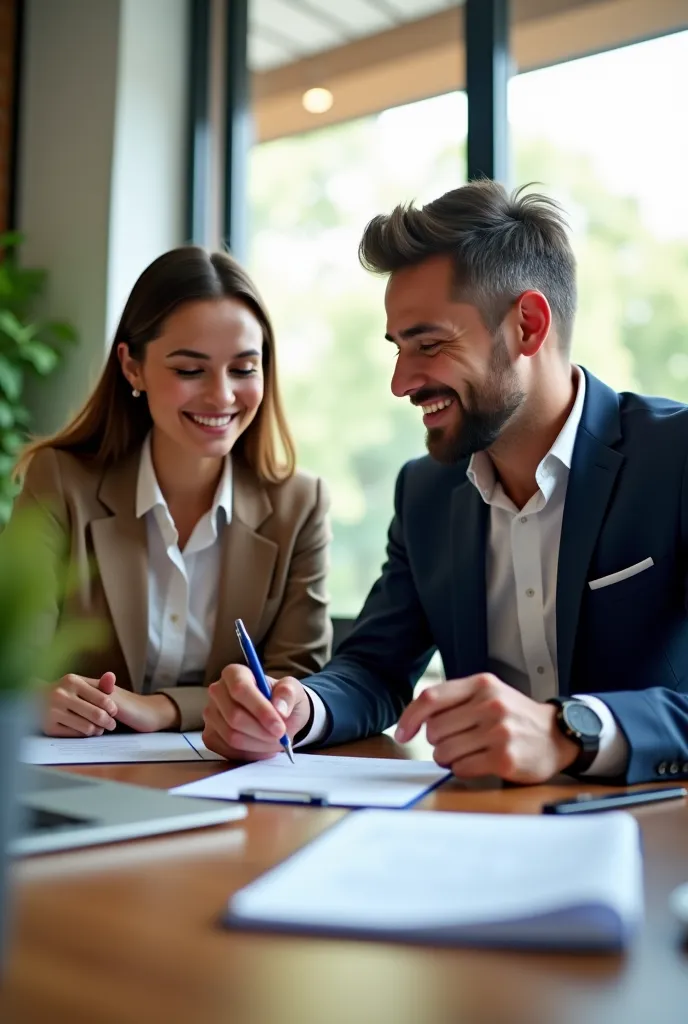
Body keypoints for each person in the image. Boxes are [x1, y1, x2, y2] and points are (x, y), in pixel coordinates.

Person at [201, 179, 688, 786]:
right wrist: (298, 710)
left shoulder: (675, 459)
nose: (401, 382)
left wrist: (572, 732)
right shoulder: (426, 493)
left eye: (428, 344)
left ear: (528, 327)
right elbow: (376, 669)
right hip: (474, 826)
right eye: (398, 349)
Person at [3, 246, 331, 740]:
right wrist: (34, 698)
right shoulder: (60, 480)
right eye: (190, 370)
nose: (222, 396)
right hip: (83, 777)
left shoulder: (300, 505)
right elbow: (12, 661)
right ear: (132, 367)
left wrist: (164, 709)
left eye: (243, 369)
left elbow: (294, 684)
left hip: (230, 781)